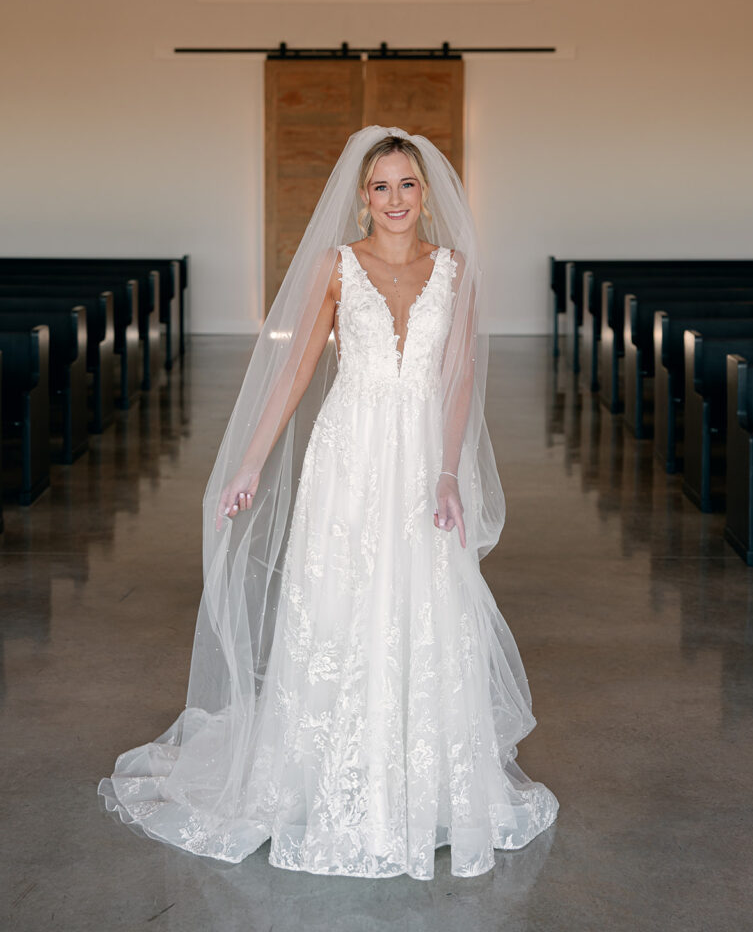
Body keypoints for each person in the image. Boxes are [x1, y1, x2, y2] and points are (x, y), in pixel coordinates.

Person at [98, 126, 559, 880]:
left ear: (426, 194)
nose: (396, 199)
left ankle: (422, 779)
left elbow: (459, 384)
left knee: (425, 605)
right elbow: (293, 373)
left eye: (408, 184)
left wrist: (448, 473)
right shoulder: (336, 267)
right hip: (349, 460)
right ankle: (327, 774)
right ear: (362, 198)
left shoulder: (457, 270)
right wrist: (248, 464)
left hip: (420, 465)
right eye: (381, 186)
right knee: (342, 605)